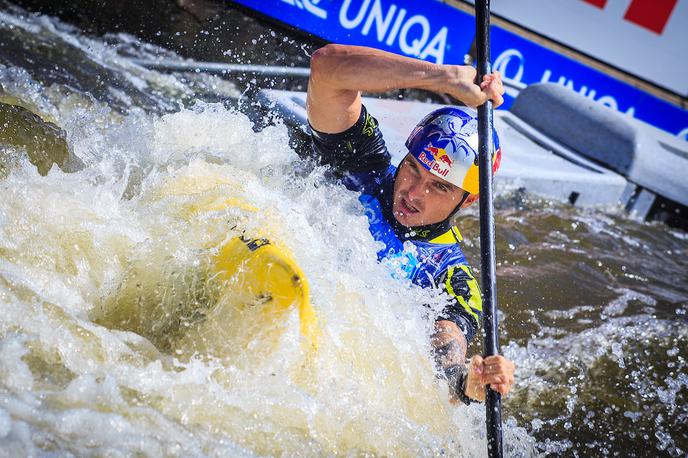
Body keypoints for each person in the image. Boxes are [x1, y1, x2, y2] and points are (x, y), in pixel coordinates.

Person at [306, 44, 514, 404]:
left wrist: (468, 383)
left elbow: (444, 361)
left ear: (468, 200)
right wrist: (442, 78)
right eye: (414, 168)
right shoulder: (363, 166)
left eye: (439, 186)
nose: (413, 193)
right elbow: (327, 69)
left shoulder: (451, 276)